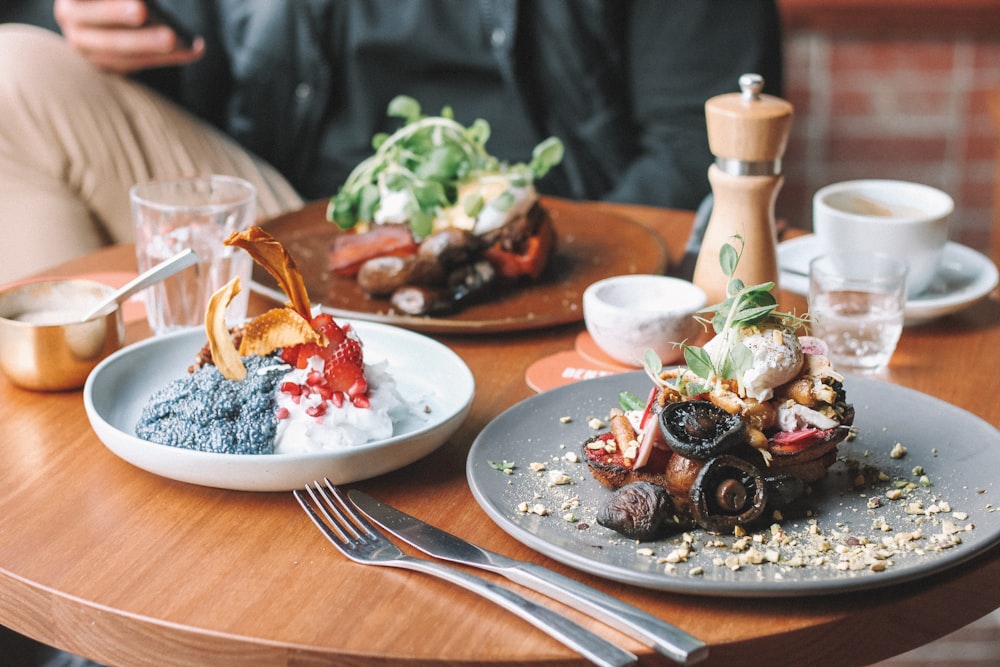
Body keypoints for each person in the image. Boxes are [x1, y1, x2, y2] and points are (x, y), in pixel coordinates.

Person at [0, 0, 782, 283]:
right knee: (14, 74)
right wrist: (103, 21)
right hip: (297, 224)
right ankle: (82, 535)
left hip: (548, 250)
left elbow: (693, 148)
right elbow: (194, 54)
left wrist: (522, 270)